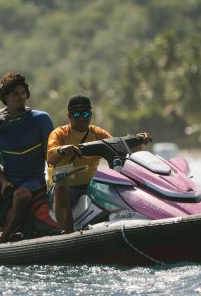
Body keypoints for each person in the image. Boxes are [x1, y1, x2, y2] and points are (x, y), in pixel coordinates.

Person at [46, 94, 152, 233]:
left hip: (91, 186)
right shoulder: (59, 134)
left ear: (91, 114)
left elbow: (119, 147)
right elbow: (50, 159)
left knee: (119, 184)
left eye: (85, 113)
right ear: (69, 116)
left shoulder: (98, 133)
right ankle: (68, 234)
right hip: (65, 189)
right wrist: (62, 150)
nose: (82, 118)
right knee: (61, 189)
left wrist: (139, 140)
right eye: (76, 114)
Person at [0, 72, 54, 243]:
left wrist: (54, 180)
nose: (21, 97)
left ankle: (3, 240)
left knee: (21, 196)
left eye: (23, 93)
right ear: (5, 98)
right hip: (8, 179)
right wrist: (3, 182)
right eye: (15, 94)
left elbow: (51, 155)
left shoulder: (41, 119)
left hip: (34, 180)